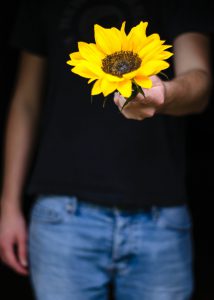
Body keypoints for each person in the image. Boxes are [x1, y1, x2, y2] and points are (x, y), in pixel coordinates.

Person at [0, 0, 212, 299]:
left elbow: (199, 81)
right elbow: (26, 103)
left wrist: (165, 94)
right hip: (62, 215)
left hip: (160, 217)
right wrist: (8, 207)